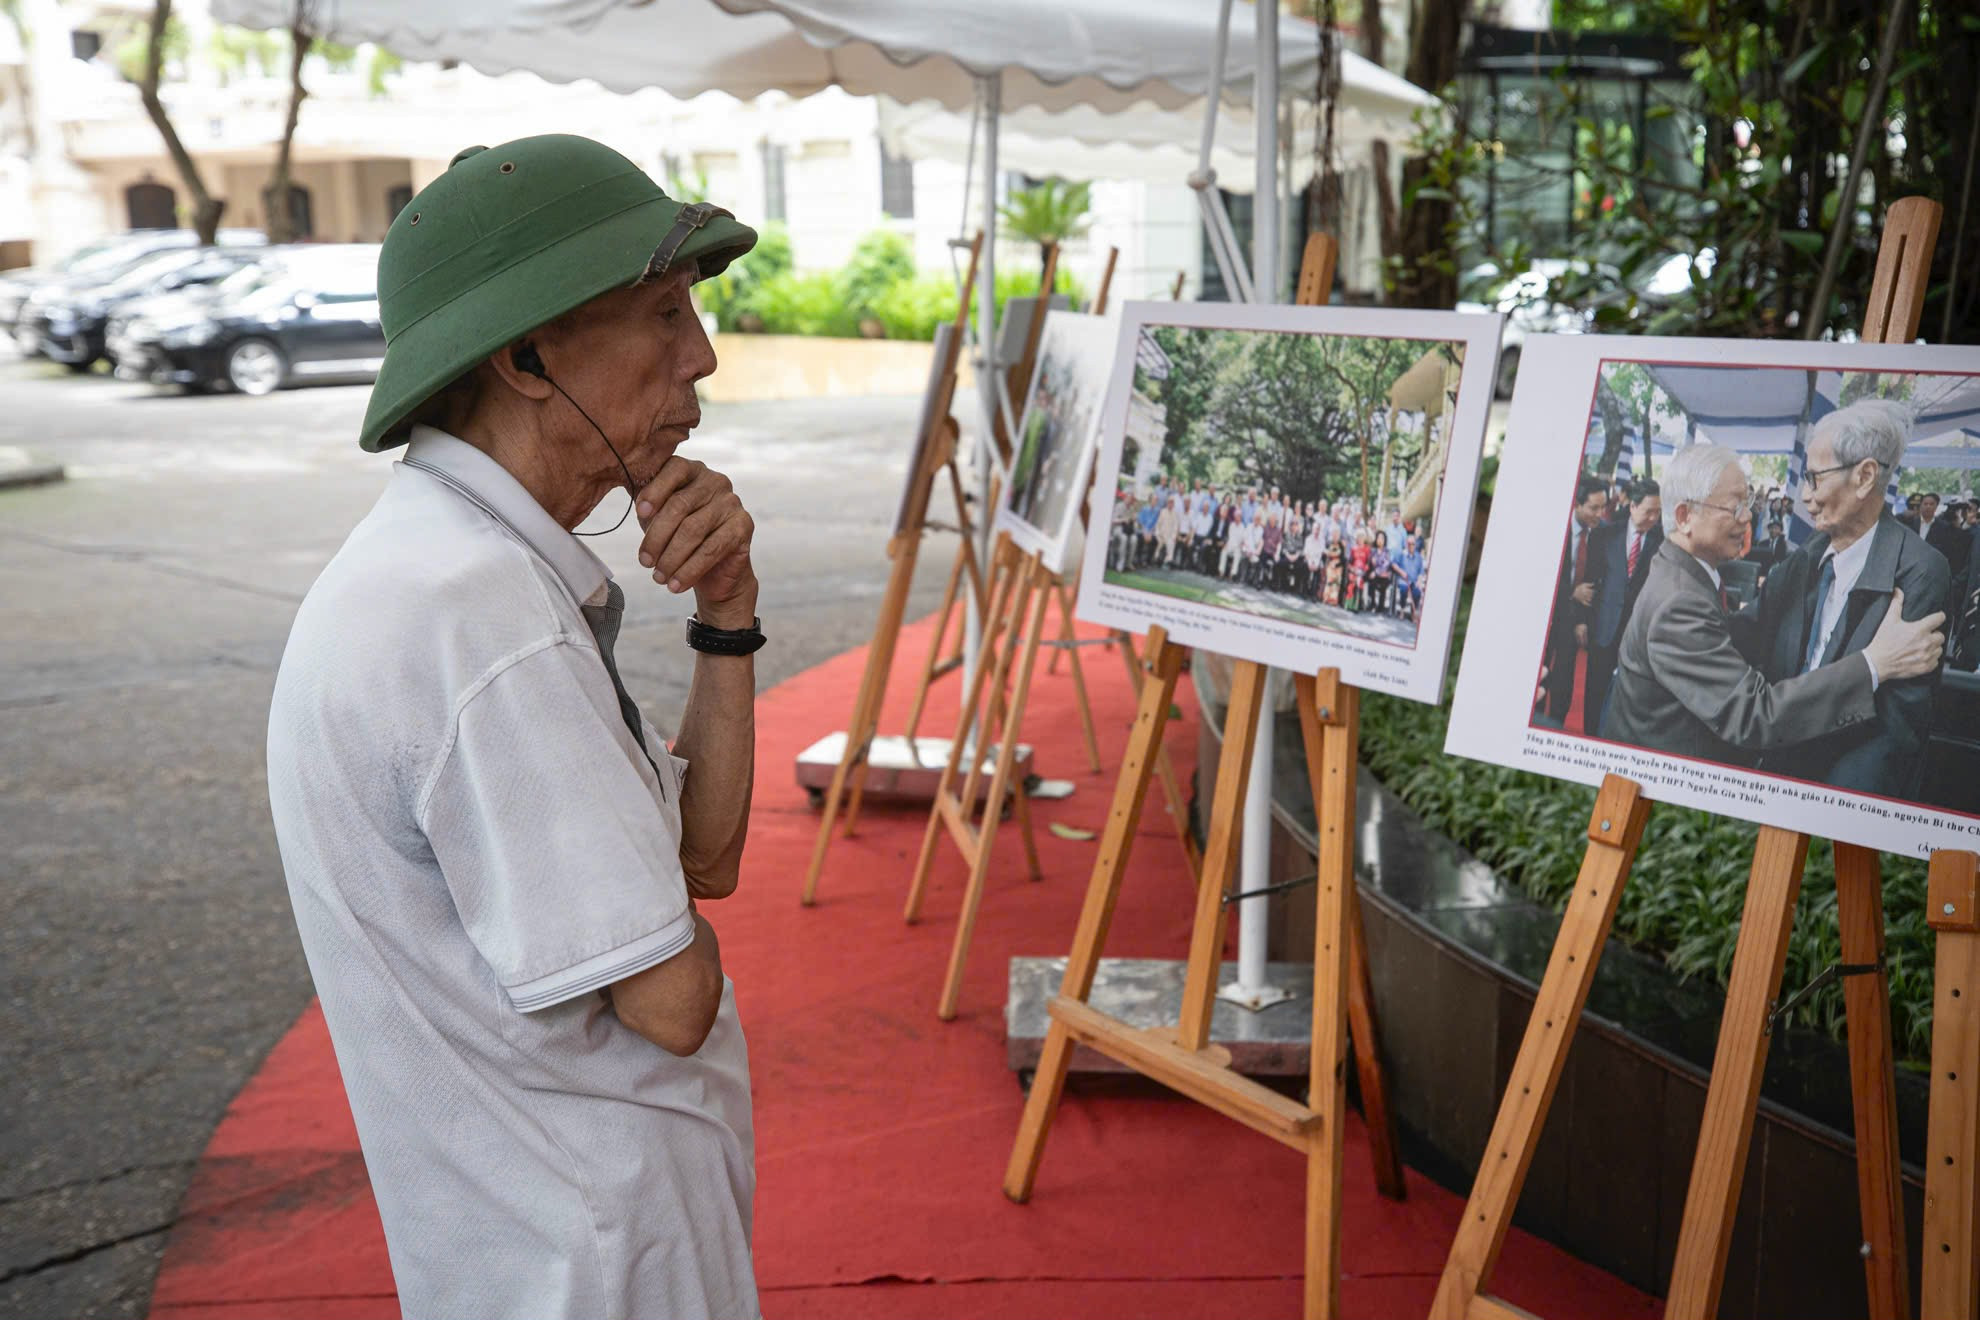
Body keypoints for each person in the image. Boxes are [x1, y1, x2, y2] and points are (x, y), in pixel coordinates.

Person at [264, 136, 764, 1320]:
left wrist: (728, 615)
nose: (700, 354)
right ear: (528, 356)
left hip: (543, 1240)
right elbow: (672, 1001)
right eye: (662, 312)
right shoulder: (482, 619)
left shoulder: (449, 565)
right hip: (596, 1254)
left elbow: (703, 859)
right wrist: (663, 915)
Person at [1602, 442, 1944, 768]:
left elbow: (1736, 633)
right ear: (1684, 516)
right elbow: (1754, 714)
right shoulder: (1679, 601)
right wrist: (1874, 663)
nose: (1747, 517)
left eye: (1748, 502)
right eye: (1734, 507)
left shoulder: (1680, 573)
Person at [1736, 400, 1952, 797]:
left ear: (1865, 476)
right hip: (1774, 771)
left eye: (1815, 478)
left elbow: (1895, 732)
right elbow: (1746, 636)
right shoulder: (1806, 557)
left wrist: (1827, 810)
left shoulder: (1920, 570)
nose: (1805, 496)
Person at [1578, 479, 1663, 737]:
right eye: (1649, 511)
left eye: (1658, 512)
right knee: (1595, 692)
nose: (1654, 517)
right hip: (1604, 628)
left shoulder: (1661, 543)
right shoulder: (1605, 535)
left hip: (1636, 635)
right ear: (1633, 506)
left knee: (1625, 698)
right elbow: (1590, 581)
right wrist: (1582, 621)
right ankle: (1591, 739)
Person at [1545, 475, 1609, 721]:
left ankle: (1555, 725)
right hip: (1546, 613)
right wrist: (1570, 592)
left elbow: (1592, 583)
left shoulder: (1599, 533)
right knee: (1538, 674)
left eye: (1603, 507)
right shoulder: (1555, 527)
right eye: (1594, 508)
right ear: (1577, 504)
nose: (1600, 514)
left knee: (1564, 679)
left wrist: (1582, 620)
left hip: (1572, 617)